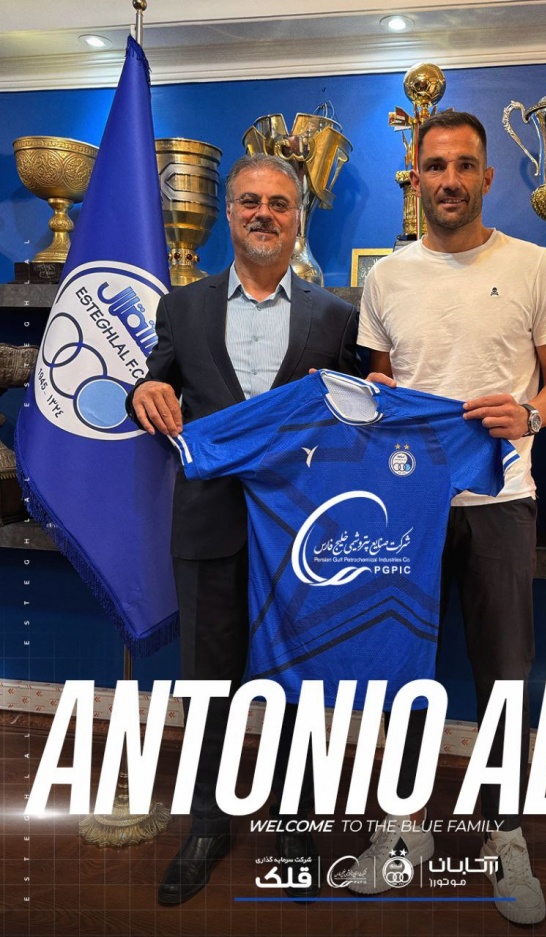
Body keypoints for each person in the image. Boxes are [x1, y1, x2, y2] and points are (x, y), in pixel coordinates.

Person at [352, 111, 546, 925]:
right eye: (435, 165)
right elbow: (383, 384)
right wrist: (372, 397)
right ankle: (403, 825)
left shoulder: (534, 267)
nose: (449, 179)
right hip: (407, 505)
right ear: (415, 178)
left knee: (505, 676)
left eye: (464, 165)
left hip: (501, 502)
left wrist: (531, 413)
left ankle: (504, 834)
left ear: (486, 177)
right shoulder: (386, 278)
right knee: (400, 673)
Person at [127, 153, 359, 905]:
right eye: (250, 201)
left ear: (298, 219)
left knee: (297, 685)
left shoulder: (335, 316)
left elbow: (354, 412)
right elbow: (156, 380)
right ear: (229, 213)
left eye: (279, 204)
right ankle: (207, 822)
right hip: (209, 526)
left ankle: (293, 822)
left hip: (301, 534)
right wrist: (145, 390)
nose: (264, 214)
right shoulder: (183, 307)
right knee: (207, 684)